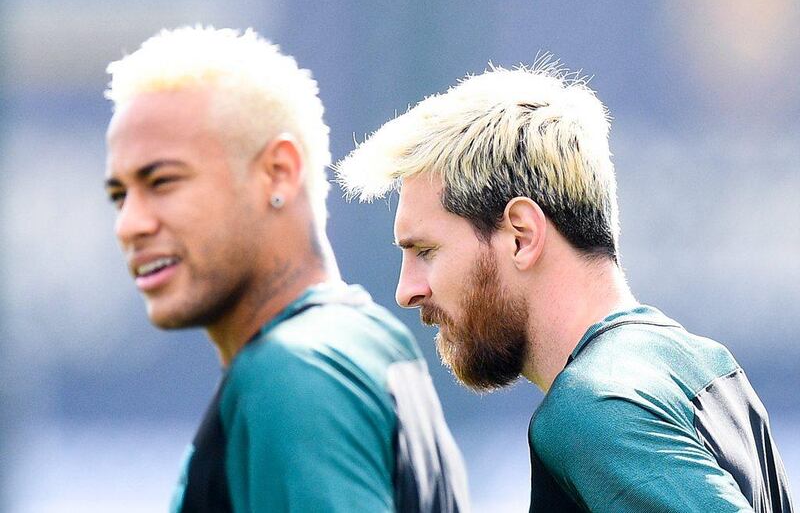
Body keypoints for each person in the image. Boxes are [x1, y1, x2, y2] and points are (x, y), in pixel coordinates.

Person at [335, 65, 795, 512]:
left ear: (521, 235)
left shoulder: (594, 408)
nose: (406, 291)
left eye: (426, 251)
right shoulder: (705, 365)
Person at [103, 25, 468, 513]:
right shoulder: (368, 340)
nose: (130, 223)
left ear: (278, 171)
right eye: (119, 195)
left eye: (162, 181)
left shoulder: (295, 373)